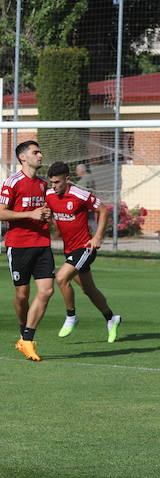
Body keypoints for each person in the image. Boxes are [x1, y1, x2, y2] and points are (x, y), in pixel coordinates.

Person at [45, 161, 121, 342]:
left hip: (85, 247)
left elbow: (103, 210)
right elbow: (55, 217)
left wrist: (98, 236)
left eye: (57, 182)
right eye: (52, 183)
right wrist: (51, 222)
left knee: (61, 278)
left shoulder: (80, 194)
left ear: (68, 179)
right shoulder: (49, 195)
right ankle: (111, 318)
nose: (54, 186)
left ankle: (71, 316)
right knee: (88, 289)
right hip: (69, 249)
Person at [0, 140, 54, 361]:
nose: (40, 155)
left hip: (42, 243)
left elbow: (41, 210)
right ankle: (23, 329)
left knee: (47, 291)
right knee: (22, 296)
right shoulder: (11, 183)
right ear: (23, 157)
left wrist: (45, 214)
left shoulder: (42, 184)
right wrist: (29, 214)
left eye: (40, 151)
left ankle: (27, 339)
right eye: (36, 152)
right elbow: (1, 213)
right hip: (19, 245)